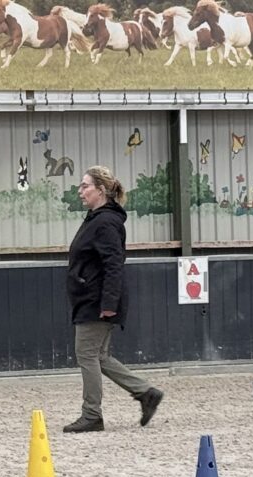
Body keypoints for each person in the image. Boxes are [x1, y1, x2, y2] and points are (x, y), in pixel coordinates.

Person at [63, 166, 164, 433]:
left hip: (96, 301)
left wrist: (108, 304)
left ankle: (92, 415)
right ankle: (146, 393)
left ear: (101, 190)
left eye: (85, 186)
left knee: (87, 355)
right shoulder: (96, 219)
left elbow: (114, 264)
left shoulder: (105, 222)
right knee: (100, 356)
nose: (80, 191)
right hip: (92, 297)